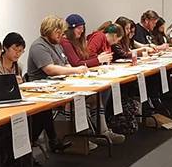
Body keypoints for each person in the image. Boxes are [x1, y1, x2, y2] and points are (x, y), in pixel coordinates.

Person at [27, 16, 125, 144]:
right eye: (58, 32)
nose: (61, 35)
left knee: (94, 97)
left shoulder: (56, 44)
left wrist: (73, 70)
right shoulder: (39, 46)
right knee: (78, 100)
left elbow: (66, 63)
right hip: (44, 91)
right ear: (48, 30)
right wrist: (75, 70)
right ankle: (81, 140)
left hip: (62, 85)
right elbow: (50, 69)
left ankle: (102, 132)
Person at [0, 32, 71, 154]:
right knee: (39, 116)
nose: (18, 54)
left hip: (16, 102)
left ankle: (29, 147)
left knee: (43, 110)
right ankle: (41, 144)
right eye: (15, 50)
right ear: (5, 48)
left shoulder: (18, 66)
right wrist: (10, 83)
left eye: (21, 51)